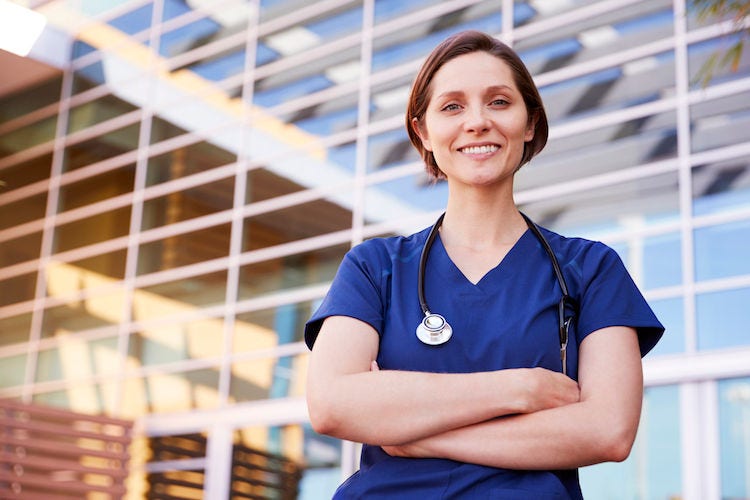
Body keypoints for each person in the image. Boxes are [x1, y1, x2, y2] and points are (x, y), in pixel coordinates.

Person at [304, 30, 664, 499]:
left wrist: (415, 433)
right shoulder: (375, 268)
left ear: (530, 123)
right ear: (424, 132)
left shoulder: (590, 268)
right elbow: (332, 404)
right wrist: (519, 389)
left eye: (498, 102)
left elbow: (608, 431)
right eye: (452, 107)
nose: (477, 122)